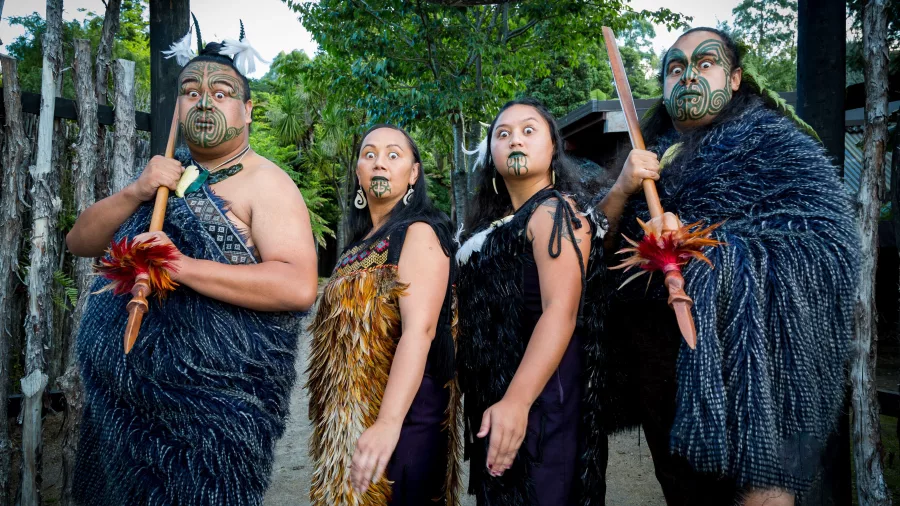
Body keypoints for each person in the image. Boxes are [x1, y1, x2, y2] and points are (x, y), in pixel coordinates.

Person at [603, 27, 860, 505]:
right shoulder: (648, 162)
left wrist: (701, 245)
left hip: (757, 383)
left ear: (736, 78)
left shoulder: (776, 144)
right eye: (675, 69)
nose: (688, 78)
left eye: (705, 64)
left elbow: (827, 249)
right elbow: (599, 257)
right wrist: (621, 191)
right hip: (667, 386)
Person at [67, 32, 318, 505]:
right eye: (190, 91)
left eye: (221, 93)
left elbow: (298, 285)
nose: (204, 102)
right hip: (119, 410)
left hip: (209, 422)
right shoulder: (165, 173)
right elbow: (79, 241)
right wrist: (135, 191)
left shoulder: (267, 184)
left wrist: (179, 265)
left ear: (248, 110)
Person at [455, 97, 636, 506]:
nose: (514, 139)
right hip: (497, 401)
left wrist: (517, 403)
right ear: (492, 155)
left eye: (528, 131)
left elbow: (561, 311)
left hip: (542, 405)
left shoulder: (555, 211)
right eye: (503, 134)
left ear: (553, 147)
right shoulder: (490, 227)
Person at [306, 124, 460, 506]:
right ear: (358, 171)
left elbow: (420, 332)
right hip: (350, 417)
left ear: (413, 173)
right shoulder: (360, 244)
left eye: (394, 155)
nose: (379, 163)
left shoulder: (419, 231)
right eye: (369, 154)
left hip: (405, 416)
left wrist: (388, 424)